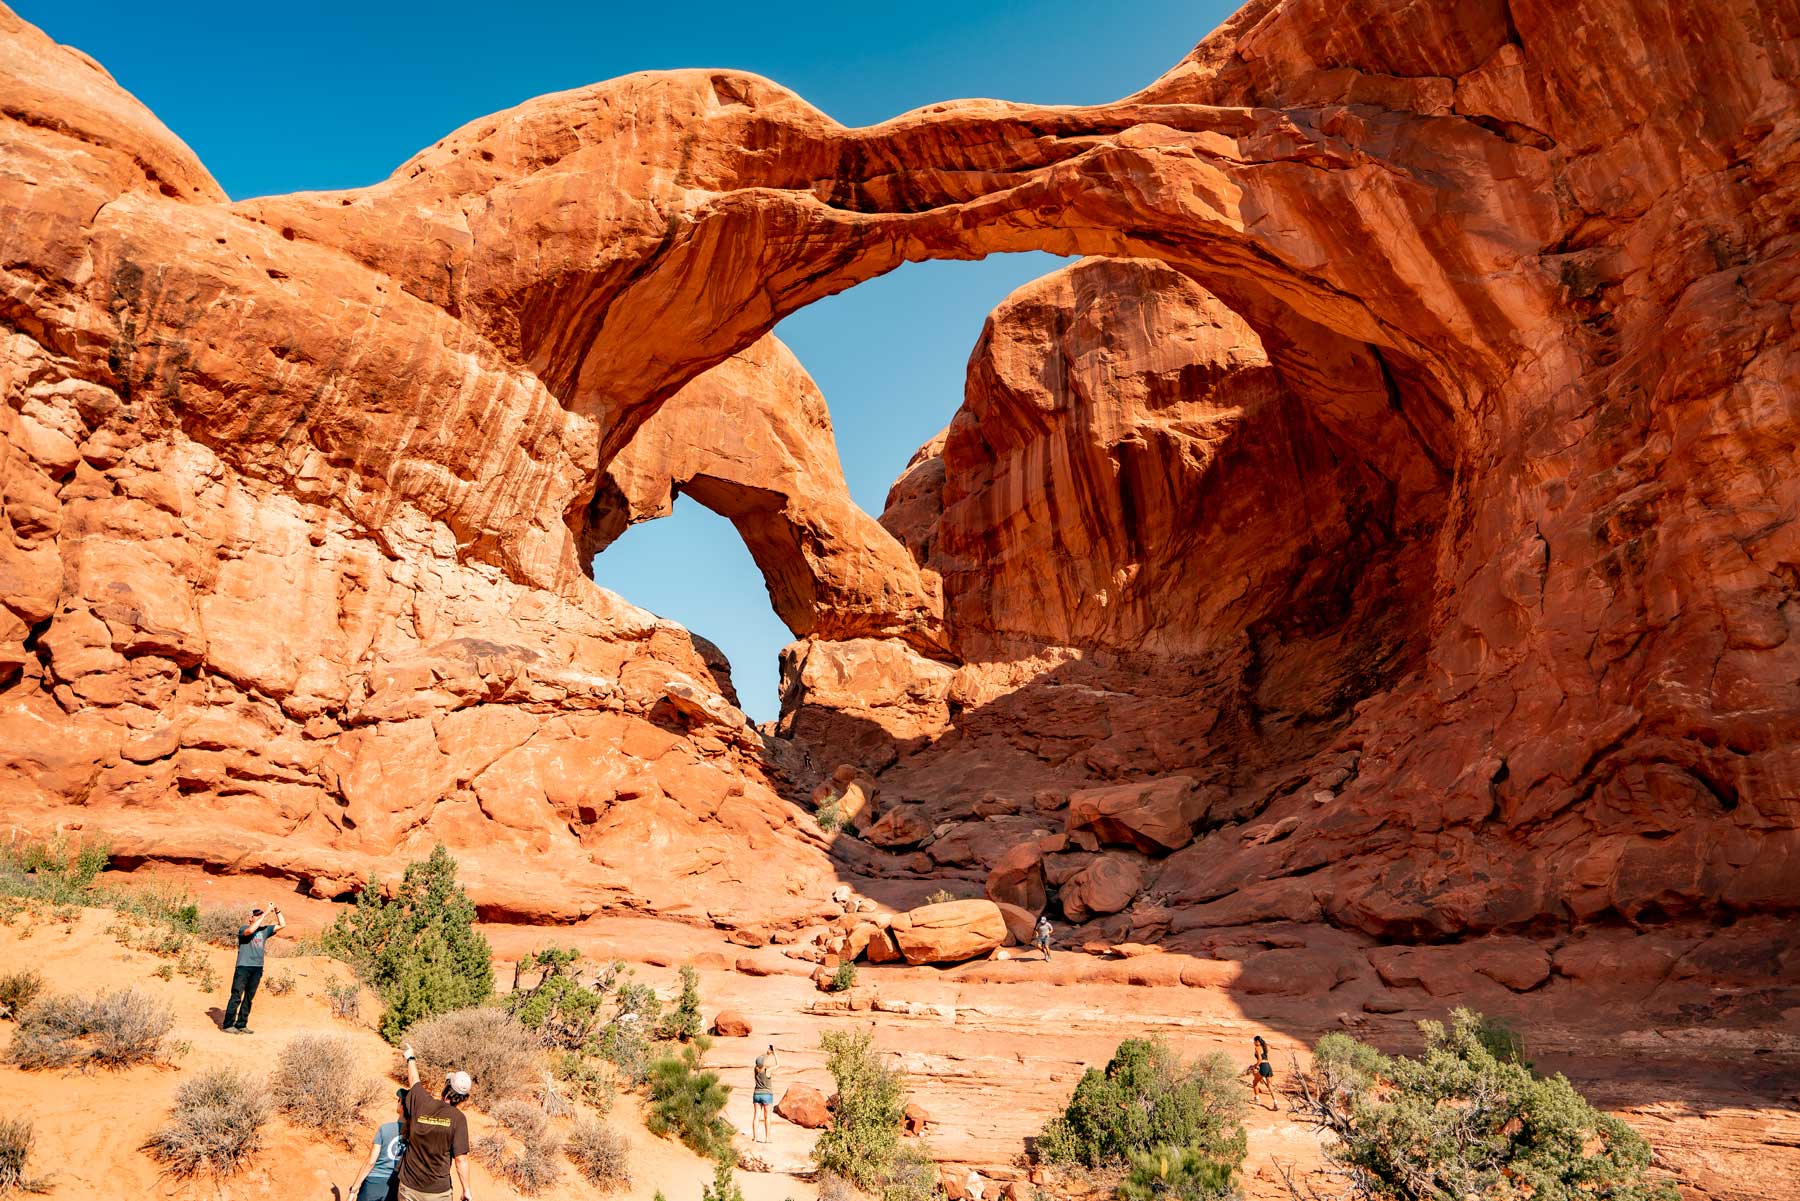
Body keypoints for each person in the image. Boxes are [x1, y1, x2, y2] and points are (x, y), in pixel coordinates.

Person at [397, 1043, 474, 1201]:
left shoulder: (423, 1102)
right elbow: (461, 1159)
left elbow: (414, 1081)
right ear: (464, 1098)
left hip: (409, 1187)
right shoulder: (458, 1119)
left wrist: (410, 1057)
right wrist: (466, 1190)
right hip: (437, 1193)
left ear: (446, 1088)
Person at [222, 902, 284, 1033]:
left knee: (249, 997)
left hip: (257, 968)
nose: (259, 917)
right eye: (256, 915)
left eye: (259, 915)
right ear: (250, 918)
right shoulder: (243, 928)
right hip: (243, 967)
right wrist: (266, 913)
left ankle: (241, 1024)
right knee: (236, 995)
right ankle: (228, 1025)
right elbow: (250, 931)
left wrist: (277, 911)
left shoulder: (264, 930)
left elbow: (283, 925)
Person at [345, 1089, 409, 1201]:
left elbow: (370, 1162)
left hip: (373, 1183)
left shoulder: (385, 1129)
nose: (397, 1102)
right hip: (396, 1187)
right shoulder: (415, 1135)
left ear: (402, 1106)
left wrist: (354, 1188)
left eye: (399, 1100)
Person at [751, 1045, 776, 1143]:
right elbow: (778, 1064)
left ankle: (755, 1138)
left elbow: (760, 1061)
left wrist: (767, 1054)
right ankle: (767, 1138)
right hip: (767, 1095)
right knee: (767, 1117)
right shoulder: (767, 1071)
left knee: (756, 1116)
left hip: (756, 1095)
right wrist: (774, 1054)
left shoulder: (755, 1070)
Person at [1244, 1035, 1276, 1110]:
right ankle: (1276, 1103)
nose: (1254, 1043)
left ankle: (1257, 1099)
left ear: (1257, 1041)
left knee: (1254, 1083)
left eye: (1254, 1041)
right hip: (1268, 1066)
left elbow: (1260, 1060)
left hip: (1263, 1066)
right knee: (1269, 1086)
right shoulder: (1264, 1047)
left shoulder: (1257, 1048)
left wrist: (1254, 1066)